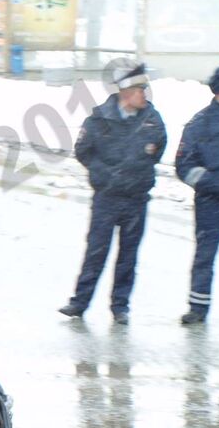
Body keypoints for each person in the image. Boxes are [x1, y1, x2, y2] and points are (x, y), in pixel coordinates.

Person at [59, 61, 166, 325]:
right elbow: (83, 151)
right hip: (107, 198)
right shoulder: (99, 118)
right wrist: (103, 175)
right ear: (127, 92)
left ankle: (120, 306)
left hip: (136, 200)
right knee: (96, 251)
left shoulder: (152, 120)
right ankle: (79, 302)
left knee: (128, 255)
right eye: (142, 90)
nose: (146, 95)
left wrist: (137, 175)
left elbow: (158, 150)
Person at [174, 64, 219, 328]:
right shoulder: (200, 123)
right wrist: (211, 183)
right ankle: (198, 307)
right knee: (205, 255)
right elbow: (183, 164)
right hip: (211, 203)